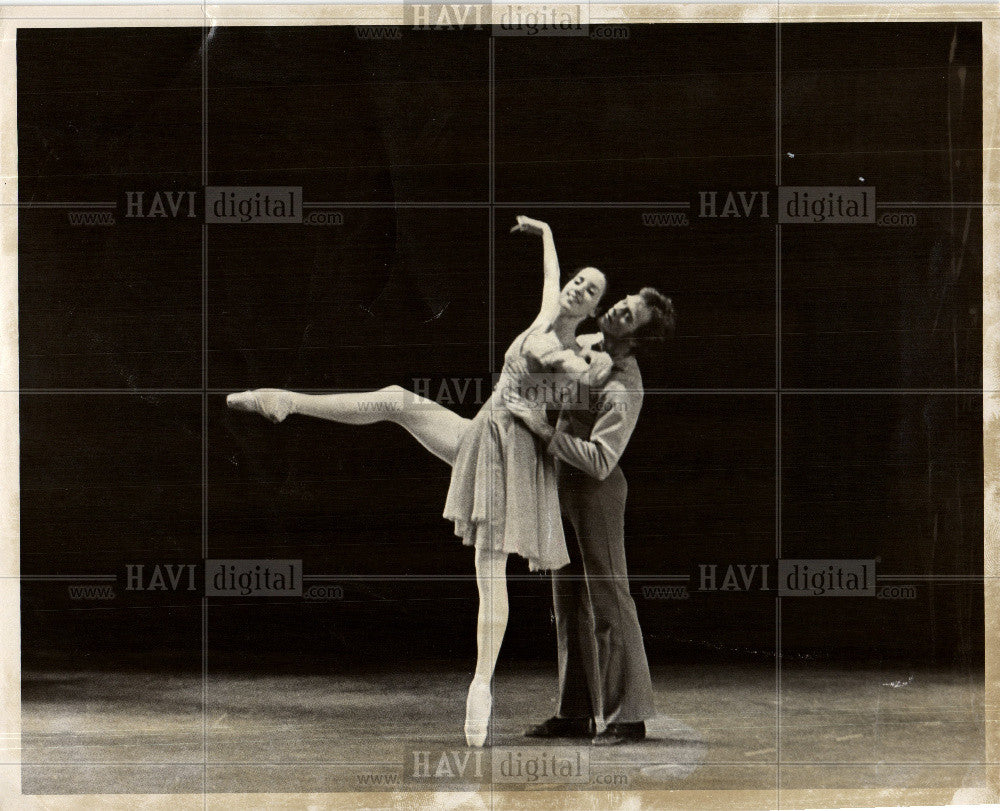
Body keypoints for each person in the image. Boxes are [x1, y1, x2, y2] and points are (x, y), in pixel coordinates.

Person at [227, 216, 611, 747]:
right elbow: (551, 281)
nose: (576, 287)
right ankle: (286, 401)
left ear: (593, 307)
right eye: (577, 280)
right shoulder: (547, 316)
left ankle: (481, 688)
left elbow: (585, 388)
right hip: (482, 434)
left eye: (589, 289)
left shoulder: (567, 355)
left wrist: (595, 359)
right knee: (395, 400)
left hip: (512, 458)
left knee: (490, 572)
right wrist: (546, 232)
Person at [507, 286, 675, 746]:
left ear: (637, 339)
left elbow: (602, 460)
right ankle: (575, 711)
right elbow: (547, 391)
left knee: (608, 599)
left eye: (627, 316)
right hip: (563, 485)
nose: (616, 309)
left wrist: (541, 428)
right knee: (568, 603)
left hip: (596, 494)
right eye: (621, 303)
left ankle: (630, 715)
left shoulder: (624, 385)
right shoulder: (590, 350)